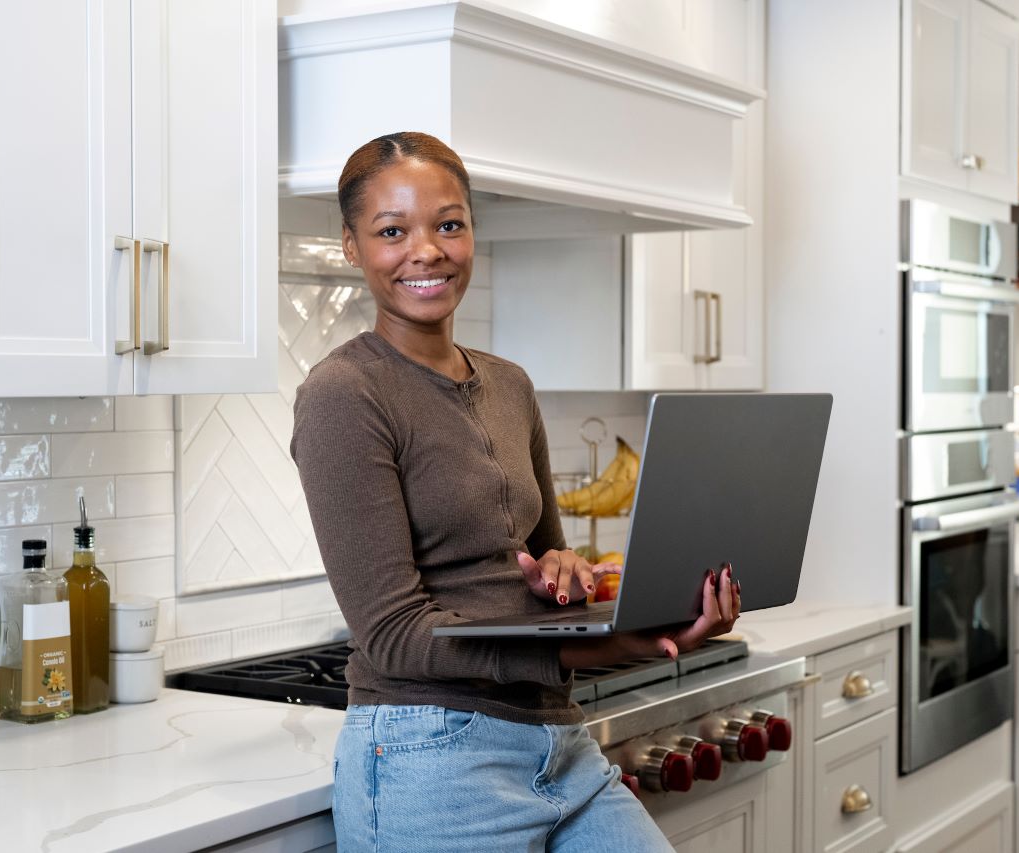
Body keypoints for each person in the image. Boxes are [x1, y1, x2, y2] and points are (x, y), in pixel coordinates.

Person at [290, 131, 742, 853]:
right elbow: (393, 634)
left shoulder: (510, 384)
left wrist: (575, 577)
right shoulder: (345, 394)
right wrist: (613, 647)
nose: (427, 249)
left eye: (448, 223)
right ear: (351, 246)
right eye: (391, 230)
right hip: (430, 753)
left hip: (559, 738)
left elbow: (545, 564)